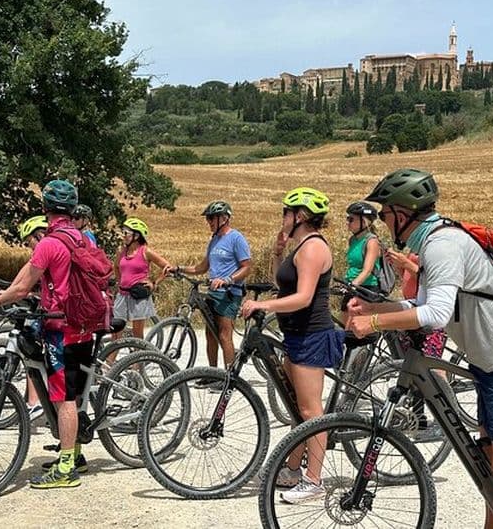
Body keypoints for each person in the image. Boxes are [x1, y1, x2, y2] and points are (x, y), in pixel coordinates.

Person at [348, 168, 493, 529]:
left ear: (402, 213)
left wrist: (376, 323)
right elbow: (421, 305)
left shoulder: (442, 244)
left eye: (384, 213)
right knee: (489, 463)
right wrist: (373, 309)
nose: (382, 221)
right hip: (491, 361)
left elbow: (436, 314)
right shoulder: (433, 241)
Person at [0, 180, 94, 489]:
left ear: (45, 210)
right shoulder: (81, 238)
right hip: (83, 324)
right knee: (75, 392)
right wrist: (9, 291)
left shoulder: (50, 242)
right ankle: (74, 452)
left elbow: (22, 287)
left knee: (64, 397)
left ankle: (66, 469)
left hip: (61, 327)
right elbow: (29, 272)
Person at [241, 187, 343, 504]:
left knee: (311, 411)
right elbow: (281, 285)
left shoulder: (313, 249)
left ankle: (314, 480)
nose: (282, 218)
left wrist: (263, 307)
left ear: (299, 215)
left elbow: (303, 298)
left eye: (285, 212)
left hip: (312, 335)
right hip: (296, 335)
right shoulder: (298, 247)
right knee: (296, 405)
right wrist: (277, 251)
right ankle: (293, 469)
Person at [163, 201, 252, 385]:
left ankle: (229, 378)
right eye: (208, 218)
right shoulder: (214, 240)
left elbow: (246, 267)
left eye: (212, 218)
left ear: (224, 218)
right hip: (213, 291)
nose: (209, 221)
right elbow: (201, 267)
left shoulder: (236, 238)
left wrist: (227, 279)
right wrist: (179, 268)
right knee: (210, 334)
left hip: (229, 292)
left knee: (224, 334)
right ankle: (213, 375)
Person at [112, 218, 171, 342]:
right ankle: (109, 361)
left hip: (138, 296)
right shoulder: (122, 252)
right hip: (122, 295)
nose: (123, 235)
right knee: (116, 333)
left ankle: (138, 361)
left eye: (126, 233)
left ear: (136, 235)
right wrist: (119, 282)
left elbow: (167, 267)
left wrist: (154, 283)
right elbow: (116, 267)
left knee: (137, 334)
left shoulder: (145, 251)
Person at [16, 215, 49, 421]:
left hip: (63, 314)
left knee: (36, 353)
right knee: (33, 352)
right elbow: (25, 275)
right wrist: (9, 291)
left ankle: (37, 403)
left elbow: (24, 285)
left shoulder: (48, 251)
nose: (29, 248)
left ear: (39, 235)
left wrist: (17, 293)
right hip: (47, 310)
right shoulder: (39, 253)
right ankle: (34, 403)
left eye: (29, 242)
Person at [341, 201, 383, 328]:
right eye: (347, 218)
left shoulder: (371, 241)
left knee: (356, 328)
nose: (347, 222)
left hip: (366, 288)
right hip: (351, 285)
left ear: (364, 221)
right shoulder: (353, 240)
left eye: (351, 219)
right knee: (344, 326)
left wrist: (353, 284)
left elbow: (367, 270)